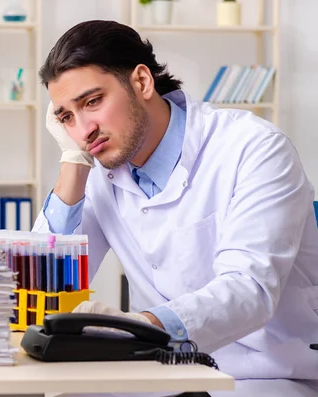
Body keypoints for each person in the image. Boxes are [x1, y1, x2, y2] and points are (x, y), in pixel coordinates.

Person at [32, 20, 318, 397]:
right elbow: (40, 282)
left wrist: (139, 326)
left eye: (92, 102)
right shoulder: (101, 169)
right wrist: (73, 161)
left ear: (141, 82)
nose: (84, 129)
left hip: (269, 373)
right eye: (67, 117)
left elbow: (249, 291)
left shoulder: (254, 148)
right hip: (161, 369)